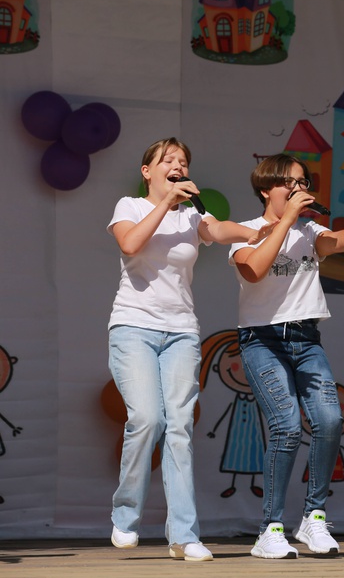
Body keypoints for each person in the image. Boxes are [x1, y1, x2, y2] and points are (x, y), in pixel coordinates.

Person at [107, 137, 271, 561]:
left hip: (180, 331)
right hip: (134, 327)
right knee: (147, 419)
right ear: (148, 171)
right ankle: (125, 516)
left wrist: (254, 231)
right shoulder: (131, 206)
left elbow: (218, 230)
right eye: (168, 160)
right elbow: (130, 244)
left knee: (179, 426)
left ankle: (183, 535)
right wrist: (166, 203)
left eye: (183, 161)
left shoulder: (193, 215)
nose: (178, 166)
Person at [229, 154, 344, 559]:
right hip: (263, 341)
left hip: (306, 340)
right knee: (286, 426)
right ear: (265, 189)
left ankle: (313, 517)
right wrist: (285, 222)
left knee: (330, 420)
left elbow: (336, 239)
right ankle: (269, 529)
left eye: (303, 182)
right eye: (289, 183)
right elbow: (254, 270)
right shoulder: (246, 231)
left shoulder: (310, 230)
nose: (299, 189)